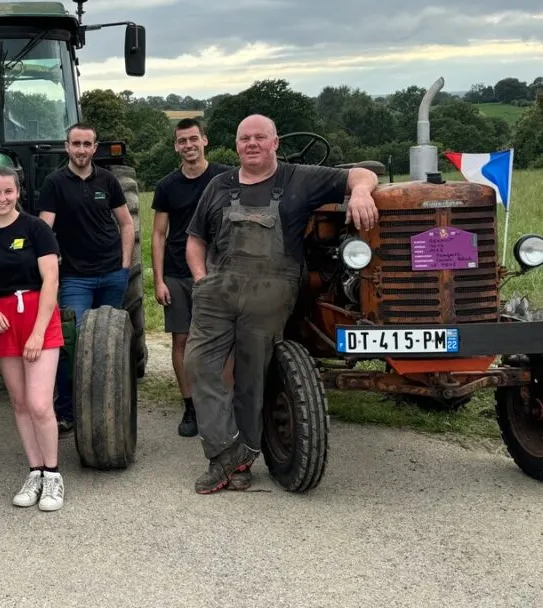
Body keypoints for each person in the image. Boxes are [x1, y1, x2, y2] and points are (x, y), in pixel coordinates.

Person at [184, 114, 379, 494]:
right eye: (244, 138)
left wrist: (359, 193)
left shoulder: (299, 178)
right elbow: (195, 239)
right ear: (236, 145)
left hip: (271, 288)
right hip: (218, 287)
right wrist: (200, 280)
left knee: (252, 374)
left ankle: (242, 456)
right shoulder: (218, 186)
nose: (252, 144)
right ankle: (227, 450)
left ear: (275, 142)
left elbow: (361, 173)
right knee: (199, 365)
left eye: (260, 137)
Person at [0, 166, 65, 512]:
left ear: (18, 193)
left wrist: (39, 331)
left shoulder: (36, 228)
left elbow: (51, 280)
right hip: (0, 319)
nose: (1, 198)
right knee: (20, 403)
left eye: (8, 192)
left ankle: (54, 475)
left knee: (40, 403)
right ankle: (36, 471)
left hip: (38, 315)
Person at [37, 123, 134, 434]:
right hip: (75, 279)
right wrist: (52, 262)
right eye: (75, 143)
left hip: (111, 275)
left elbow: (126, 223)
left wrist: (124, 265)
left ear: (95, 148)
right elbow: (44, 228)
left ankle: (109, 408)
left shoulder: (108, 180)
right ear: (67, 147)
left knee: (109, 343)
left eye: (87, 144)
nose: (81, 149)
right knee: (72, 344)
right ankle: (67, 410)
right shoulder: (54, 183)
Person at [151, 118, 232, 438]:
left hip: (219, 270)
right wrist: (158, 280)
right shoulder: (167, 186)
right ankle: (191, 407)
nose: (188, 145)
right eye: (182, 141)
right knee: (181, 339)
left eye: (193, 139)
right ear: (176, 146)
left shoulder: (225, 177)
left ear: (205, 141)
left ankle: (223, 403)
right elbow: (158, 235)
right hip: (178, 272)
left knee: (224, 339)